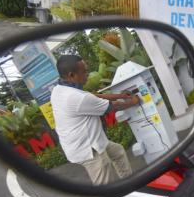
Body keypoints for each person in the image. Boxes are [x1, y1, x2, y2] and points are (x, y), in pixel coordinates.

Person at [50, 55, 139, 185]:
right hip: (88, 149)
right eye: (84, 72)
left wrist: (119, 95)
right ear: (71, 75)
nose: (88, 74)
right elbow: (112, 106)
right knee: (105, 182)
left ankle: (130, 185)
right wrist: (133, 102)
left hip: (91, 140)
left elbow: (91, 96)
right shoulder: (76, 97)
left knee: (118, 151)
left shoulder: (59, 89)